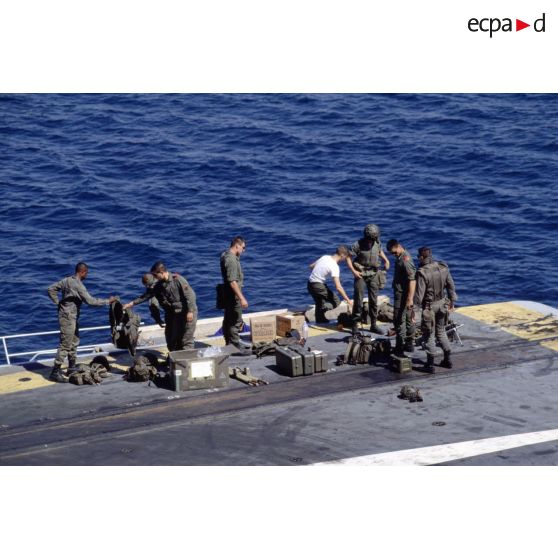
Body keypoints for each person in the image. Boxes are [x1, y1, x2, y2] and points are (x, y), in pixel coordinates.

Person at [47, 262, 116, 383]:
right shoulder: (79, 285)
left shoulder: (67, 280)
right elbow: (90, 301)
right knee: (65, 344)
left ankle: (71, 367)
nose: (87, 275)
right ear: (83, 272)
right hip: (68, 317)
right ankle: (55, 371)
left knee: (74, 341)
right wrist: (107, 301)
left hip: (70, 316)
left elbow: (51, 289)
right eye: (87, 273)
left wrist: (58, 302)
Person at [124, 262, 197, 351]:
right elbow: (147, 296)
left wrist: (190, 311)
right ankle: (174, 358)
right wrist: (131, 304)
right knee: (172, 337)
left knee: (186, 339)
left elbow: (191, 295)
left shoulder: (178, 280)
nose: (155, 277)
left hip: (187, 313)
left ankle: (186, 361)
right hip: (176, 314)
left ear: (161, 272)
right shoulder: (160, 285)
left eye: (155, 275)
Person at [414, 247, 457, 372]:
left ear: (422, 257)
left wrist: (414, 310)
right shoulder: (443, 267)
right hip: (443, 304)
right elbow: (451, 286)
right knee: (441, 331)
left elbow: (419, 295)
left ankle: (430, 365)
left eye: (418, 257)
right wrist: (452, 302)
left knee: (429, 335)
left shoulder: (422, 272)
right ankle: (447, 360)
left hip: (429, 307)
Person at [346, 224, 390, 334]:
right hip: (360, 274)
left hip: (374, 273)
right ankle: (355, 324)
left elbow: (379, 251)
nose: (373, 240)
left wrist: (386, 260)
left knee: (373, 300)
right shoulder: (358, 245)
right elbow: (348, 257)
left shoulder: (377, 242)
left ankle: (373, 324)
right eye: (372, 238)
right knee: (358, 300)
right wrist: (354, 271)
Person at [386, 239, 416, 356]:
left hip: (403, 295)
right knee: (408, 319)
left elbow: (412, 280)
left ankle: (399, 347)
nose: (394, 255)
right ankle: (409, 343)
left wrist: (410, 299)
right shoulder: (401, 257)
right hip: (403, 293)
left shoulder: (405, 260)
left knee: (399, 320)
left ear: (398, 247)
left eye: (394, 252)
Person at [307, 245, 352, 323]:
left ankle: (320, 320)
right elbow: (338, 287)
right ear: (342, 255)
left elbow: (311, 266)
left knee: (319, 301)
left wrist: (321, 272)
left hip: (310, 284)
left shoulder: (325, 257)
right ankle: (322, 309)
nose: (345, 259)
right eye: (345, 257)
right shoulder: (334, 266)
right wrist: (348, 300)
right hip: (318, 285)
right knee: (336, 301)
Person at [220, 236, 248, 347]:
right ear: (237, 246)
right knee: (235, 321)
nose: (244, 250)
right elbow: (232, 281)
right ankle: (235, 345)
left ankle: (229, 344)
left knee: (228, 319)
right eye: (243, 247)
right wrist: (242, 298)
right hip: (233, 296)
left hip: (227, 294)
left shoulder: (225, 255)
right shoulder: (231, 260)